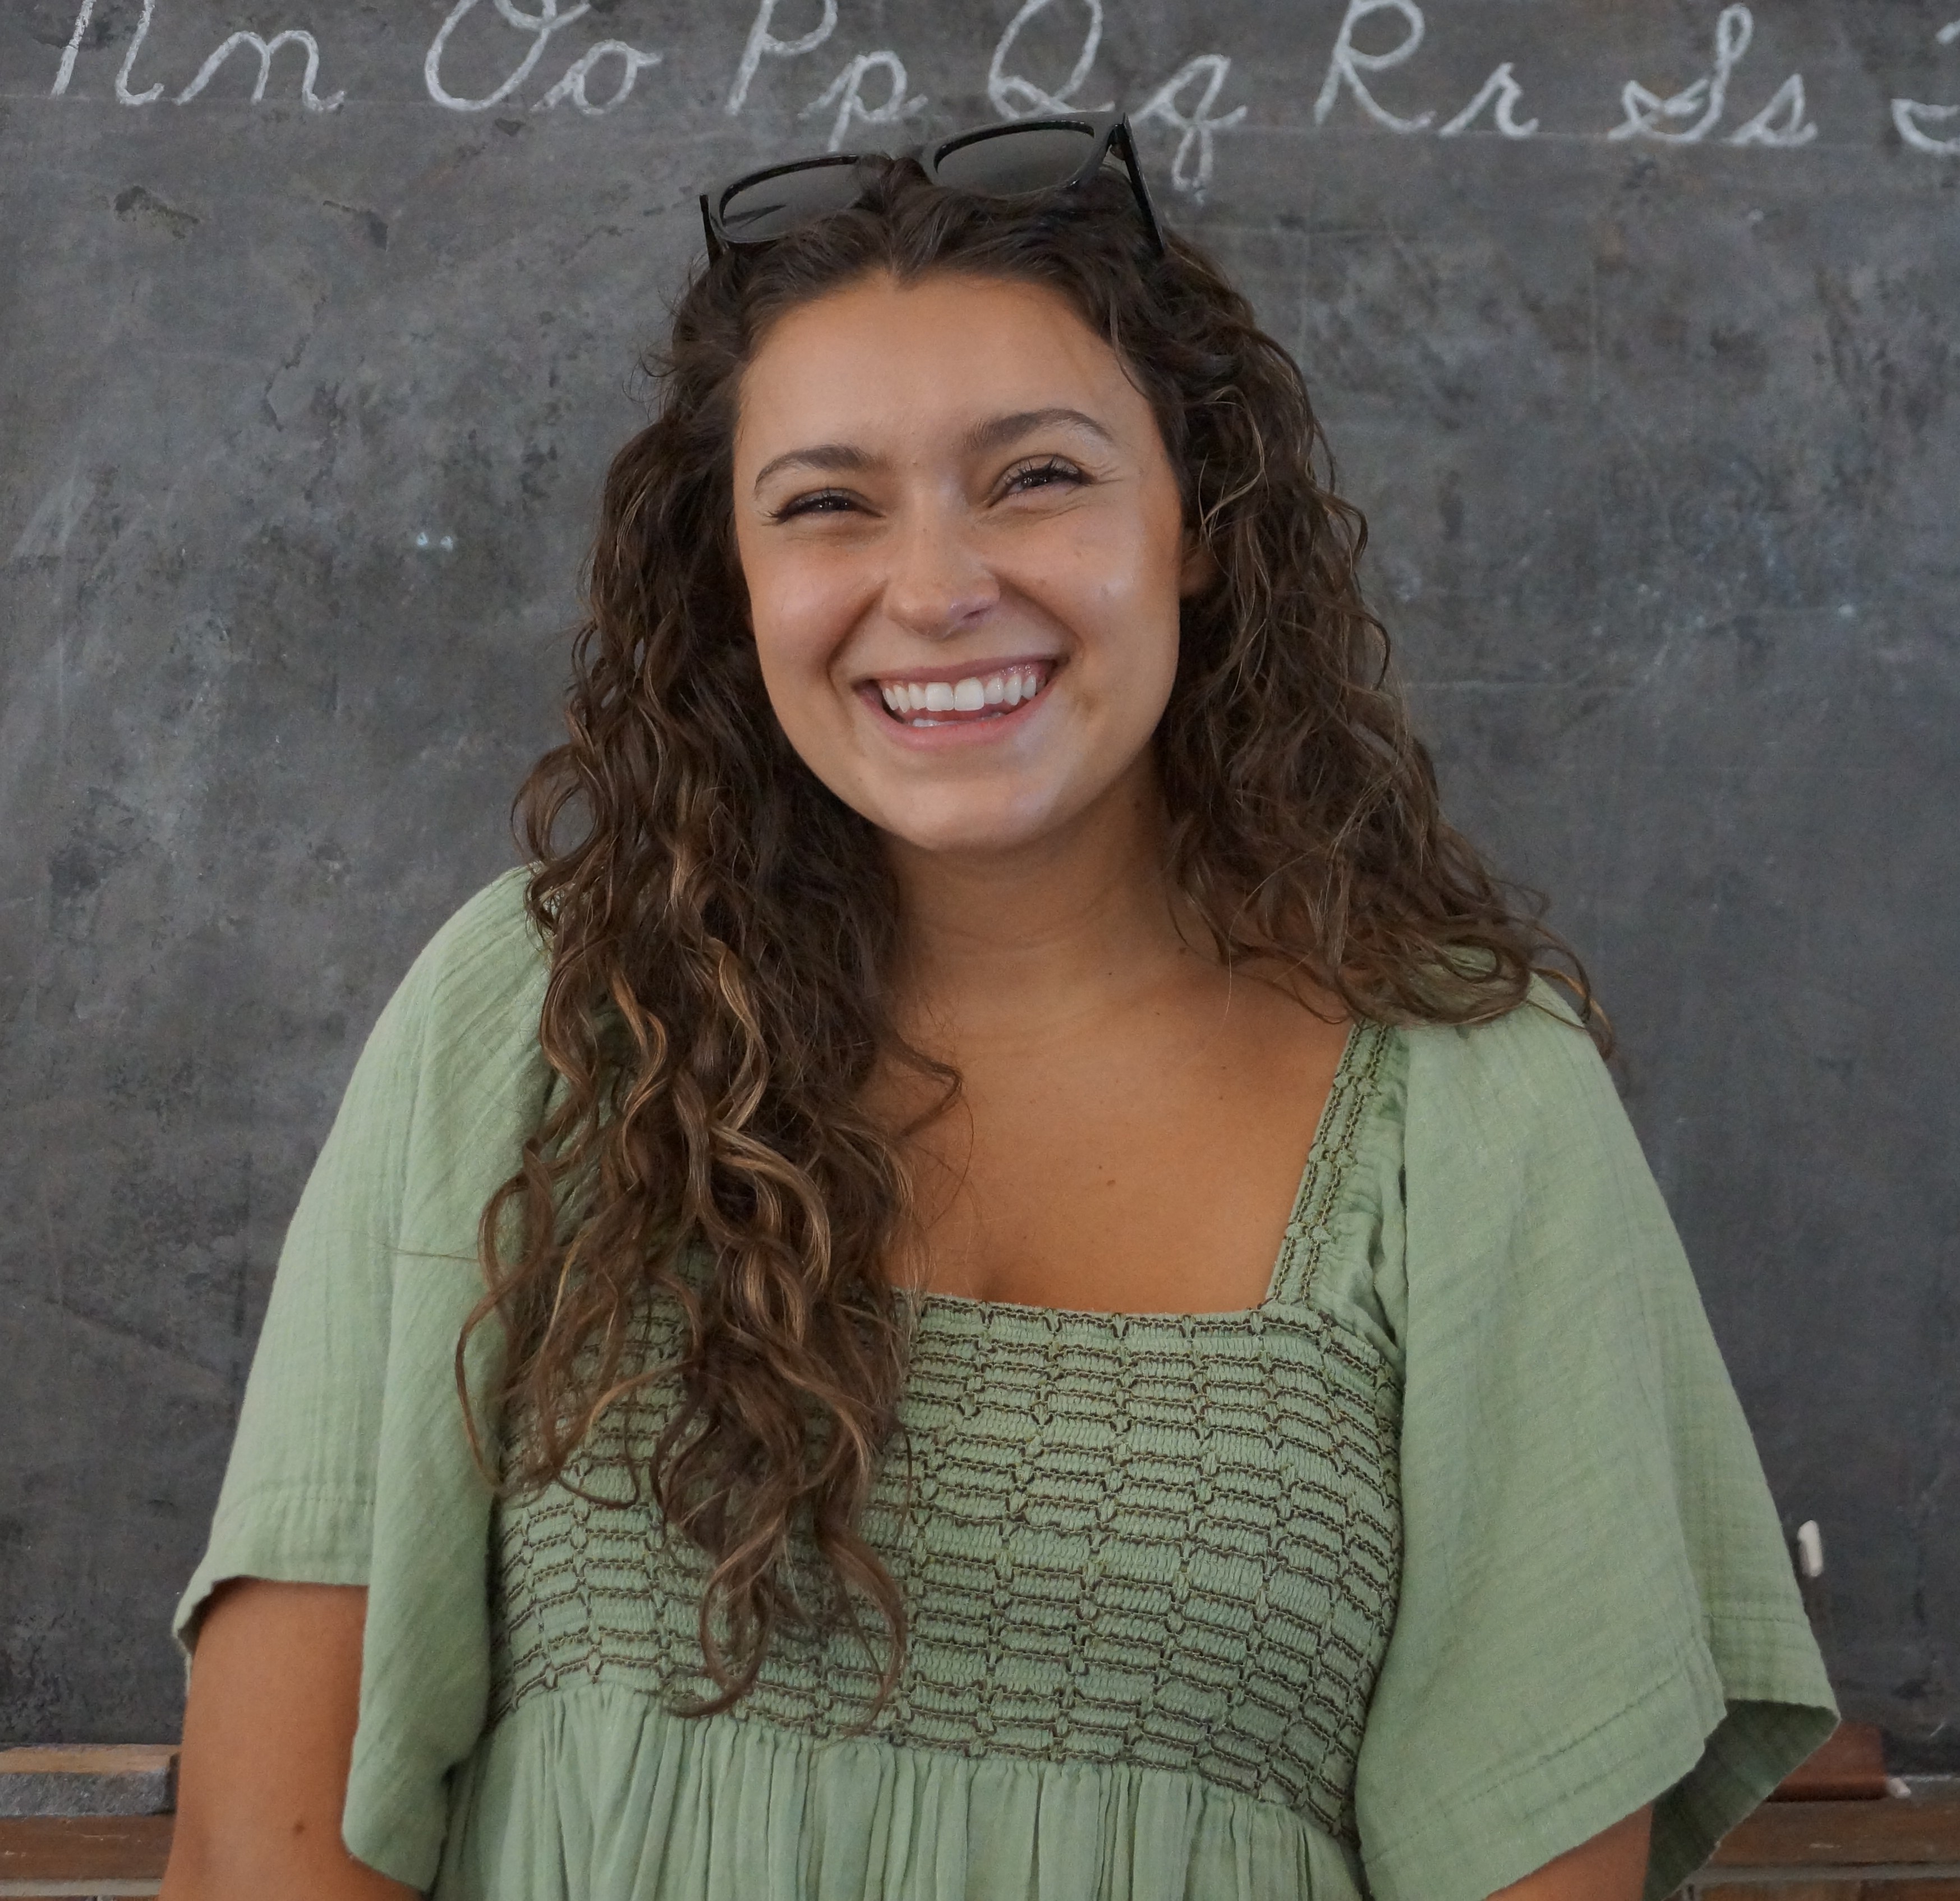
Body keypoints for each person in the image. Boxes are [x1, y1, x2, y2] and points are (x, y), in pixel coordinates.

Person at [158, 115, 1835, 1901]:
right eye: (827, 503)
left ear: (1198, 526)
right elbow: (267, 1855)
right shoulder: (541, 1015)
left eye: (1036, 477)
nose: (939, 588)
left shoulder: (1473, 1104)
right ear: (733, 578)